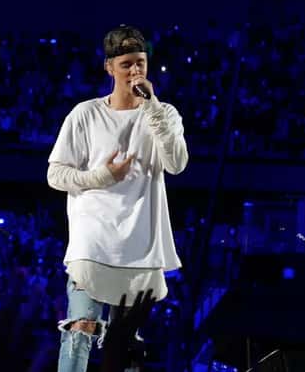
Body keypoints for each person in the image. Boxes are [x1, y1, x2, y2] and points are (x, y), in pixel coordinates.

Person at [47, 25, 189, 372]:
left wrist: (153, 108)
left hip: (140, 247)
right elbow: (55, 175)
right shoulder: (85, 114)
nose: (135, 71)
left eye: (140, 63)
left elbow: (177, 164)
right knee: (80, 328)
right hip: (92, 244)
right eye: (126, 64)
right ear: (109, 67)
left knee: (124, 342)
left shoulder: (164, 114)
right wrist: (103, 176)